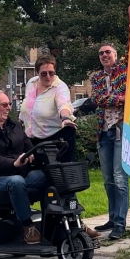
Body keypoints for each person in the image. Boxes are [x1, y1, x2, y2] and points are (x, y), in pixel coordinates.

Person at [19, 54, 100, 239]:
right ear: (37, 72)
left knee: (63, 181)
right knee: (43, 182)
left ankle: (76, 222)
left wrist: (65, 118)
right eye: (44, 73)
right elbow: (28, 110)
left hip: (59, 138)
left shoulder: (59, 87)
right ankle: (51, 225)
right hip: (35, 140)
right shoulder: (31, 83)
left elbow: (64, 105)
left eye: (52, 73)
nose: (48, 77)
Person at [0, 89, 51, 245]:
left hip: (22, 174)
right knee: (16, 182)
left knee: (54, 175)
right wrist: (13, 163)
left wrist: (34, 154)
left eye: (9, 104)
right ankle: (28, 226)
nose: (8, 108)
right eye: (4, 104)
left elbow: (29, 146)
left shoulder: (14, 127)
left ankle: (65, 222)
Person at [89, 42, 128, 240]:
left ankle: (120, 224)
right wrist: (118, 98)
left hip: (120, 128)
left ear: (115, 54)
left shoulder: (124, 70)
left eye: (108, 52)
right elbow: (96, 99)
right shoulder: (96, 77)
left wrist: (116, 98)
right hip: (102, 131)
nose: (104, 55)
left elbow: (129, 96)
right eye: (101, 53)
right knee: (108, 180)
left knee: (120, 178)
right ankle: (112, 218)